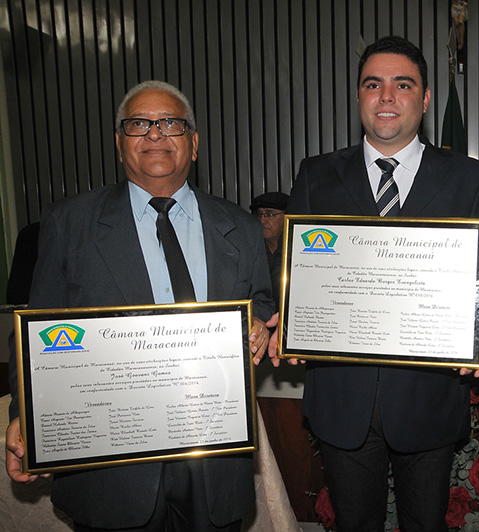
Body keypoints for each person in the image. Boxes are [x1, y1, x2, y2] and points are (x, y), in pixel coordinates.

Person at [5, 80, 277, 531]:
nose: (155, 133)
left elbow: (260, 301)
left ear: (193, 142)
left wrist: (257, 326)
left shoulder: (241, 227)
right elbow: (35, 335)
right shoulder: (68, 224)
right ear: (119, 143)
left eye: (170, 123)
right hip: (112, 470)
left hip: (214, 458)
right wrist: (25, 414)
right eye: (138, 124)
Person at [282, 36, 479, 532]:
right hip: (342, 400)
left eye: (402, 85)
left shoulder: (469, 179)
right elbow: (295, 271)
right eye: (373, 85)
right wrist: (290, 316)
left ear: (425, 99)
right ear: (359, 96)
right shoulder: (316, 175)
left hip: (428, 397)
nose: (386, 97)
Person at [249, 191, 290, 302]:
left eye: (270, 214)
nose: (262, 220)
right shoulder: (250, 250)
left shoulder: (297, 251)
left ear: (286, 217)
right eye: (259, 214)